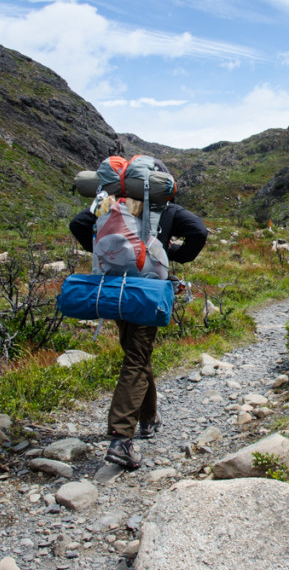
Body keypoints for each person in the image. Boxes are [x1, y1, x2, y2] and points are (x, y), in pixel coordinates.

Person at [69, 166, 208, 470]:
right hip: (148, 291)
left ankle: (148, 417)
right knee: (136, 357)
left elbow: (78, 223)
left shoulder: (109, 204)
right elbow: (199, 232)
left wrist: (104, 253)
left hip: (116, 287)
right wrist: (175, 254)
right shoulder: (167, 210)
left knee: (136, 353)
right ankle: (121, 438)